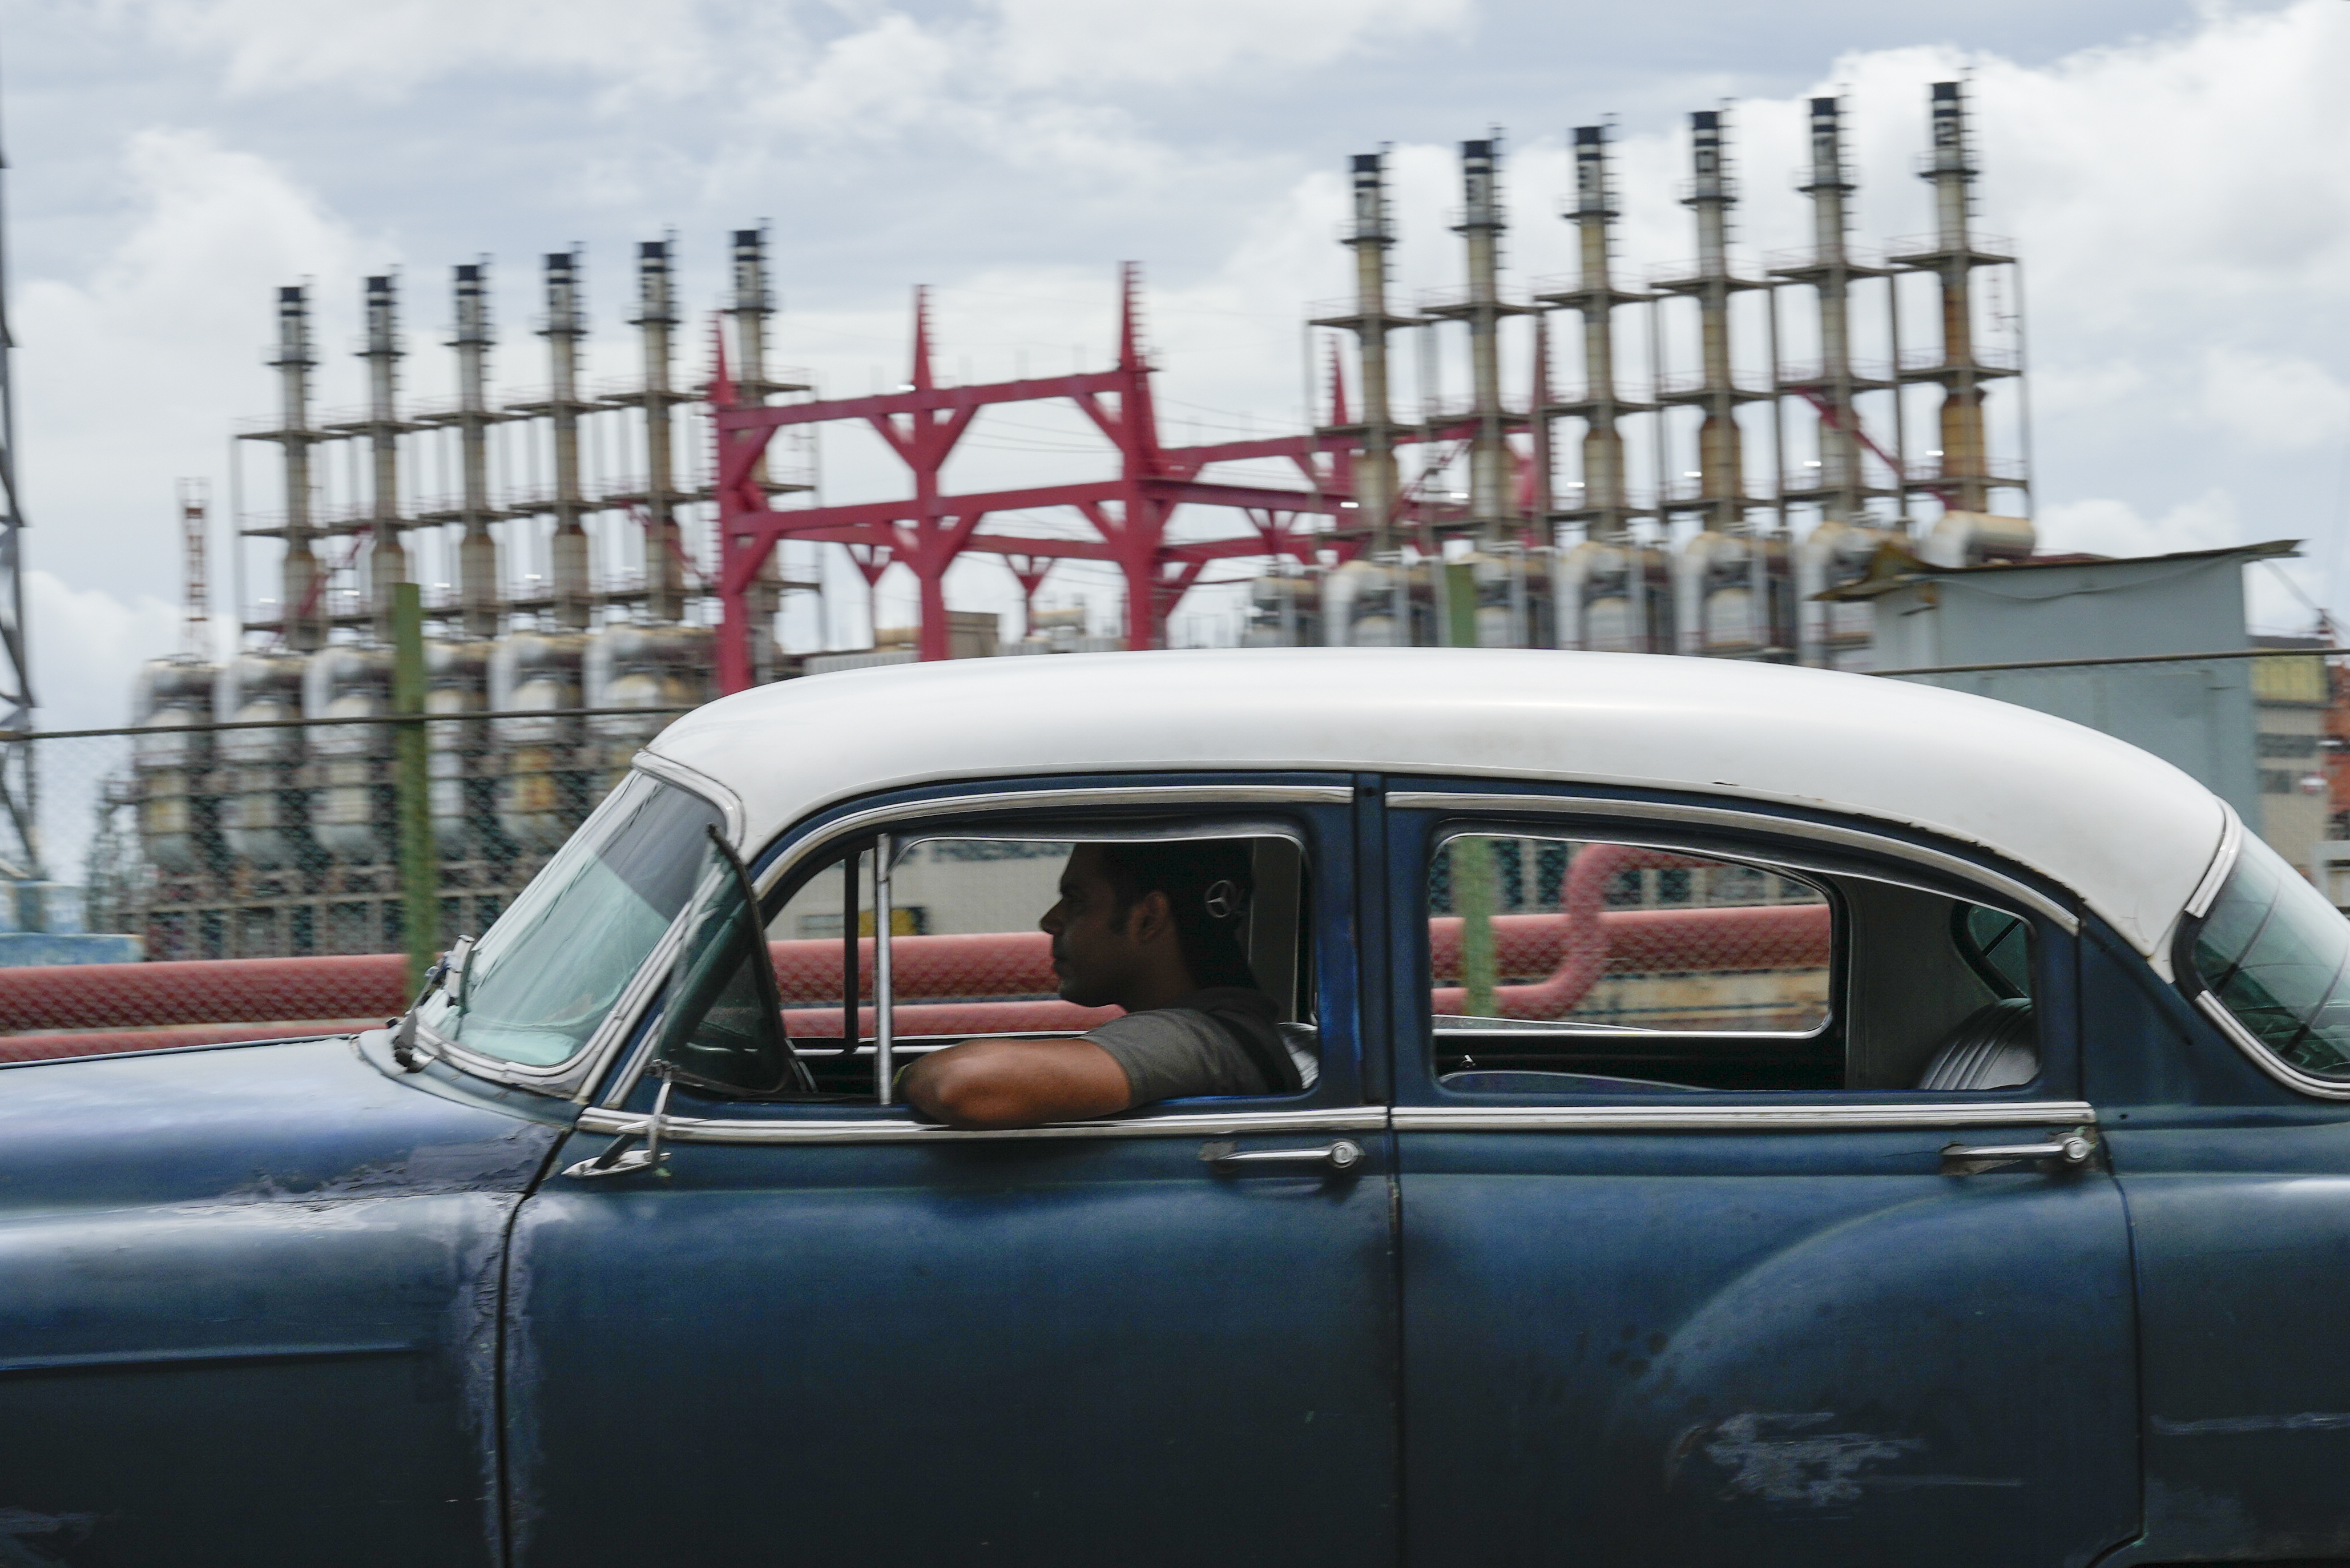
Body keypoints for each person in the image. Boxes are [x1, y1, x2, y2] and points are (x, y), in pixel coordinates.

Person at [901, 839, 1306, 1129]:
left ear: (1147, 918)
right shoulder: (1227, 1029)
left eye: (1076, 899)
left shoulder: (1199, 1038)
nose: (1050, 920)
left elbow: (967, 1083)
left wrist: (901, 1078)